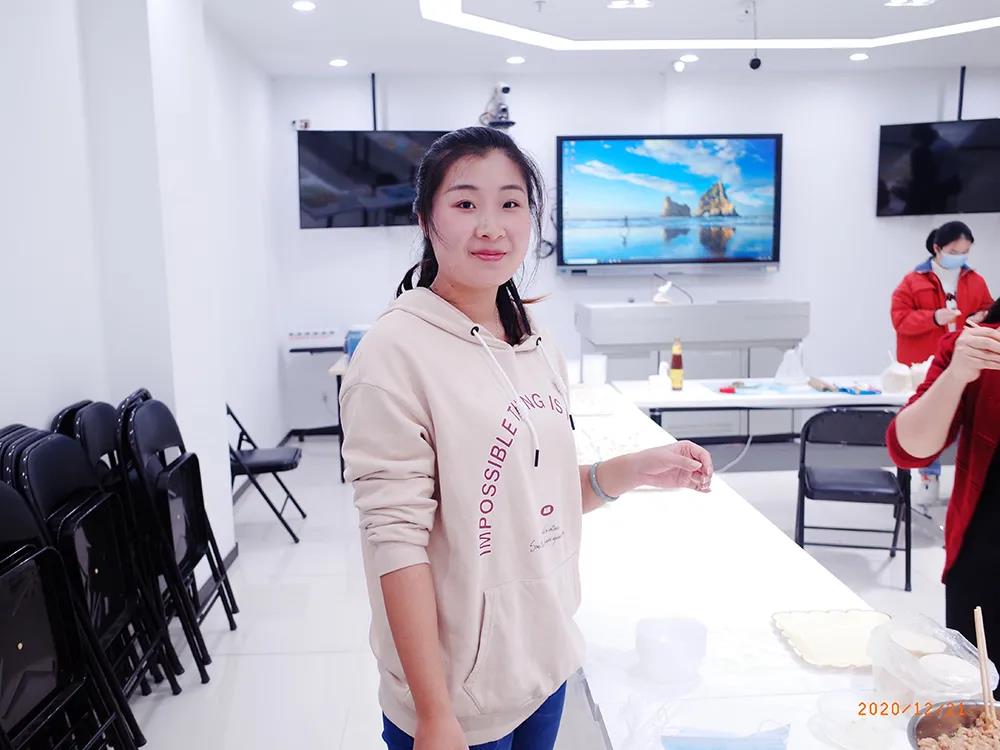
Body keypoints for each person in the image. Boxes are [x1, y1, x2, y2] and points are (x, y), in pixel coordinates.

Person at [340, 127, 714, 750]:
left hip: (543, 667)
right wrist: (434, 714)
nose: (491, 226)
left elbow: (532, 499)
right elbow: (395, 544)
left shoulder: (532, 338)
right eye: (465, 203)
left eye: (510, 203)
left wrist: (633, 469)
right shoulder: (392, 355)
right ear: (426, 220)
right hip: (456, 701)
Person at [887, 299, 1000, 697]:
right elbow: (908, 449)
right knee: (977, 705)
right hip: (986, 566)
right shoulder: (981, 346)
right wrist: (956, 375)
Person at [890, 221, 992, 502]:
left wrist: (980, 317)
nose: (960, 257)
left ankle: (969, 481)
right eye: (954, 251)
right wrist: (934, 317)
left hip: (964, 357)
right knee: (930, 419)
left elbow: (988, 310)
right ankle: (928, 478)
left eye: (965, 252)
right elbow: (900, 319)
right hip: (924, 363)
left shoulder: (975, 280)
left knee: (967, 418)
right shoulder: (913, 281)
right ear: (937, 248)